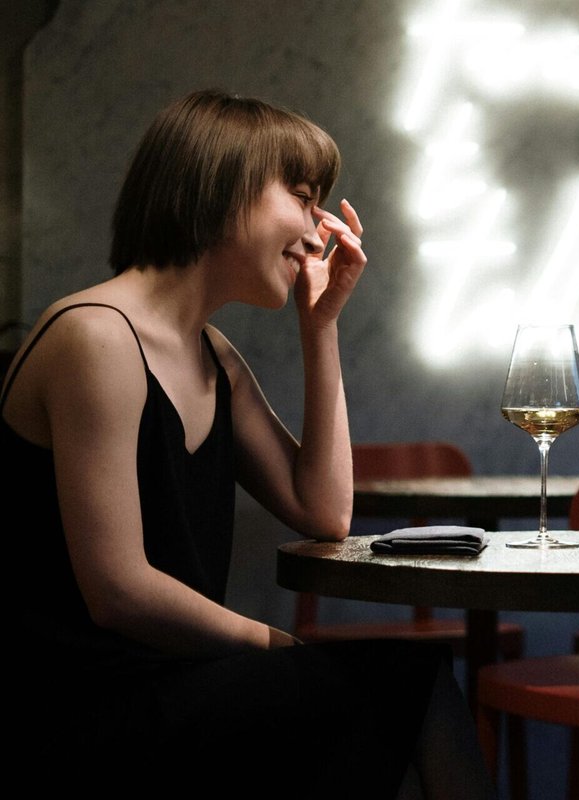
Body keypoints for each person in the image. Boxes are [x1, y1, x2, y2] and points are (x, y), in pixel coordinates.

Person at [4, 90, 496, 799]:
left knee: (411, 682)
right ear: (221, 184)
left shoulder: (214, 356)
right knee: (410, 685)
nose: (319, 226)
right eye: (301, 195)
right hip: (77, 711)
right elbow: (118, 591)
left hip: (171, 683)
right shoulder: (95, 335)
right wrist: (270, 641)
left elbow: (323, 511)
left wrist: (320, 326)